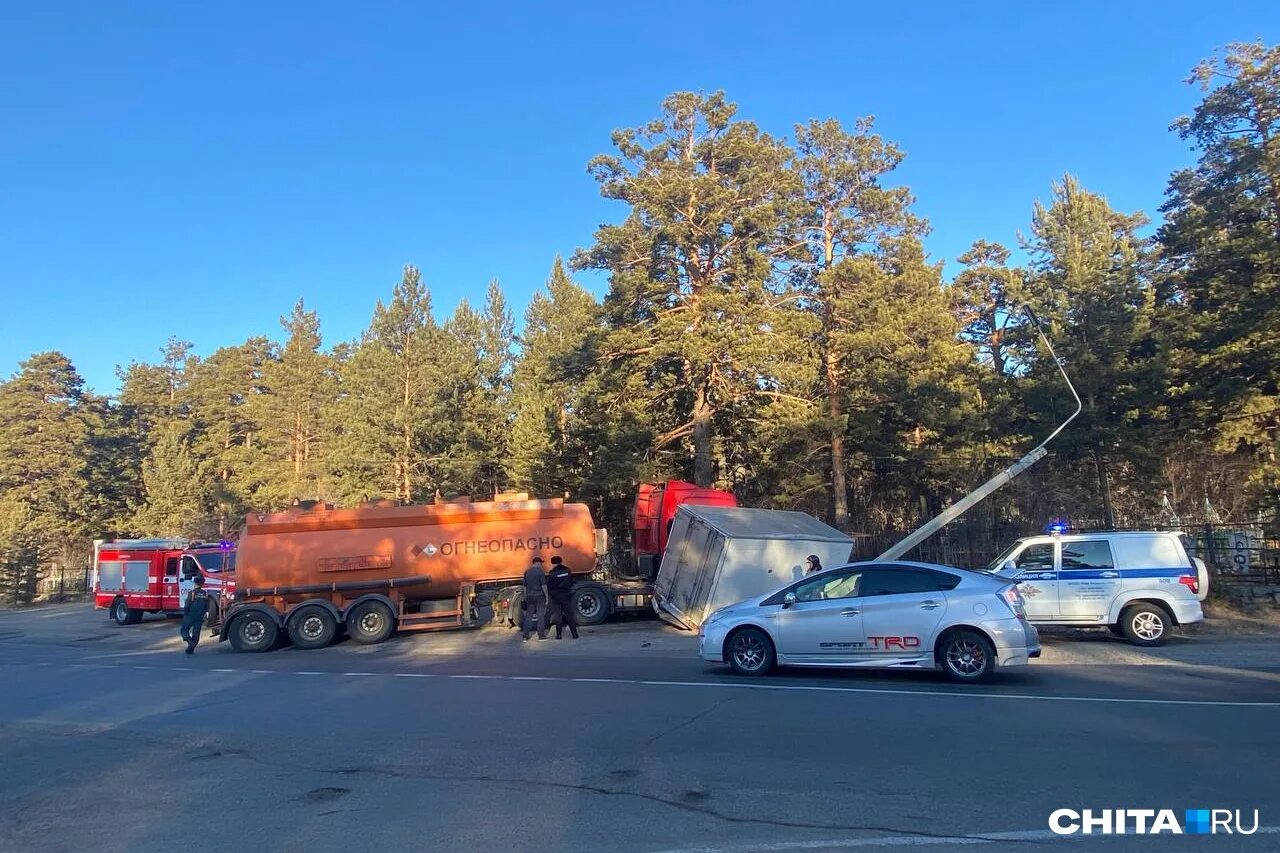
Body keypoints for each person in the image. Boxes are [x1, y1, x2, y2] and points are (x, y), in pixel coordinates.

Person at [546, 555, 579, 640]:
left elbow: (549, 585)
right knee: (569, 615)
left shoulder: (552, 573)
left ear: (553, 563)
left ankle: (559, 635)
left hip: (556, 596)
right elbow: (571, 581)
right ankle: (574, 634)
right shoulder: (567, 570)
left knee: (558, 616)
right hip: (566, 595)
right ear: (560, 562)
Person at [180, 575, 211, 655]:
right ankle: (190, 649)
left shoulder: (192, 593)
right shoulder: (205, 594)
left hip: (190, 615)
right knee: (196, 633)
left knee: (184, 630)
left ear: (195, 583)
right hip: (200, 616)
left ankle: (190, 642)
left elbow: (187, 604)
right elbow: (207, 606)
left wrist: (185, 613)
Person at [521, 556, 550, 641]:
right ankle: (541, 636)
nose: (541, 564)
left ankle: (525, 637)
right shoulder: (540, 572)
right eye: (541, 563)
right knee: (540, 616)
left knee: (528, 616)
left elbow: (525, 587)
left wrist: (525, 596)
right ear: (537, 563)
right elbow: (544, 585)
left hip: (530, 597)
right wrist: (547, 597)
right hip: (539, 596)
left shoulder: (527, 572)